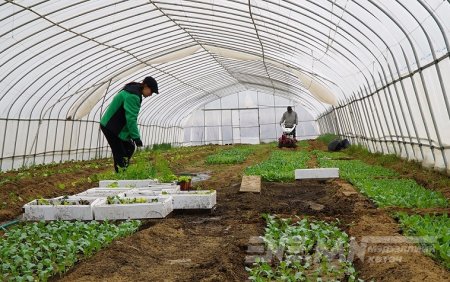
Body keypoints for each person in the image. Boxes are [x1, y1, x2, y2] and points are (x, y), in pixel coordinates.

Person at [100, 76, 159, 172]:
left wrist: (133, 137)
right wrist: (136, 138)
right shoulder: (133, 95)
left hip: (115, 125)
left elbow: (128, 117)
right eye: (151, 91)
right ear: (146, 86)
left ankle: (121, 170)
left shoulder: (133, 89)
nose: (151, 94)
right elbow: (131, 119)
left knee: (129, 147)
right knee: (120, 152)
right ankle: (121, 173)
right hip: (110, 127)